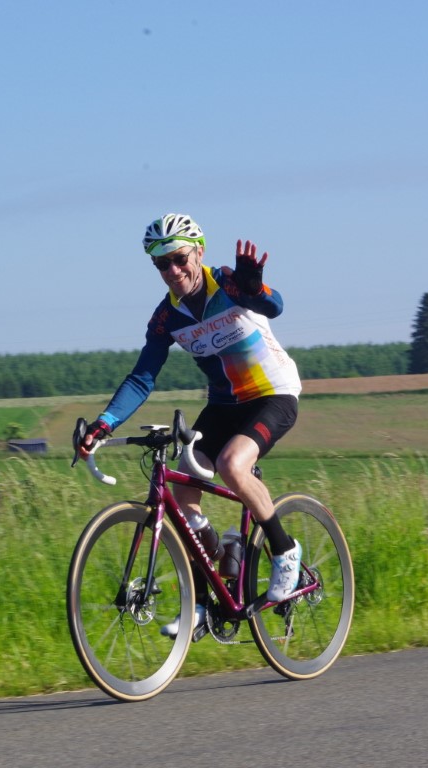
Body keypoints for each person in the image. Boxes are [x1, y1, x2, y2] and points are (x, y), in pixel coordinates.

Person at [79, 212, 303, 638]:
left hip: (273, 394)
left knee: (232, 464)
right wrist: (104, 423)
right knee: (182, 496)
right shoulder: (167, 317)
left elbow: (274, 306)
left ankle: (284, 549)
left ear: (198, 252)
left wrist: (255, 289)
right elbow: (142, 378)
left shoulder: (228, 284)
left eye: (180, 259)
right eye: (162, 264)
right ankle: (203, 598)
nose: (173, 270)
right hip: (223, 406)